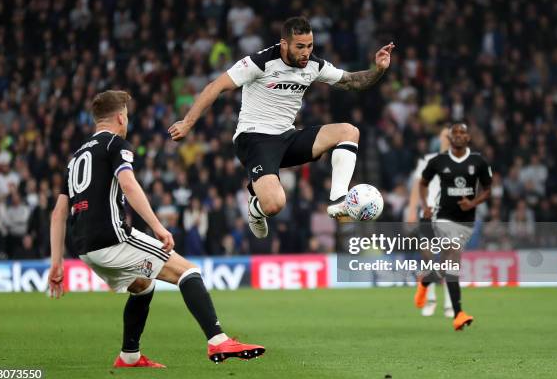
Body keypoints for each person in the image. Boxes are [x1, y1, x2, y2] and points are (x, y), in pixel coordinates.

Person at [48, 91, 264, 367]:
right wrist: (159, 227)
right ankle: (217, 339)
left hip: (85, 248)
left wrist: (56, 263)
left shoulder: (76, 157)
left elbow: (58, 213)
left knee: (142, 286)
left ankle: (129, 356)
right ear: (119, 117)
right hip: (112, 237)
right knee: (188, 272)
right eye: (126, 115)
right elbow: (128, 184)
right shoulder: (115, 144)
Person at [169, 16, 394, 238]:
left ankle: (338, 200)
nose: (306, 52)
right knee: (275, 205)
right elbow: (215, 87)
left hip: (286, 137)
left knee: (349, 131)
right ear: (284, 44)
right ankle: (256, 208)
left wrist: (378, 70)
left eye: (310, 45)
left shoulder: (313, 64)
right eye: (300, 47)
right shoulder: (260, 62)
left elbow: (351, 81)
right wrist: (187, 123)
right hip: (254, 139)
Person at [415, 122, 492, 331]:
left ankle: (427, 282)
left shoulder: (477, 161)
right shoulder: (432, 161)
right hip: (439, 215)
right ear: (446, 138)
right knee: (445, 255)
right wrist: (423, 207)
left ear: (468, 137)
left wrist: (473, 203)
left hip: (465, 220)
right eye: (450, 134)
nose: (455, 136)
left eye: (461, 133)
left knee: (450, 263)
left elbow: (488, 188)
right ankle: (454, 311)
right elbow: (419, 185)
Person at [406, 128, 453, 318]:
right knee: (427, 255)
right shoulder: (427, 161)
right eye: (445, 135)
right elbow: (418, 186)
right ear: (440, 138)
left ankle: (450, 302)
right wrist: (410, 210)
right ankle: (431, 298)